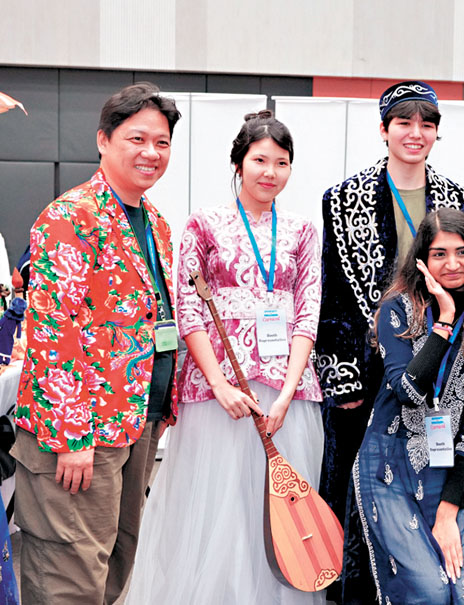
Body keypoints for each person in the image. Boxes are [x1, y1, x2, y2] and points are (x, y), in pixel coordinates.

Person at [126, 111, 325, 603]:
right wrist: (217, 383)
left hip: (286, 391)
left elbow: (309, 311)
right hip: (218, 390)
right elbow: (188, 309)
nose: (270, 172)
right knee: (215, 505)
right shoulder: (204, 223)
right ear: (239, 163)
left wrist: (287, 391)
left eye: (282, 163)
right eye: (260, 160)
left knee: (280, 509)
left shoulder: (302, 230)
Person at [316, 80, 464, 602]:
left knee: (438, 491)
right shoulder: (342, 199)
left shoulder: (463, 201)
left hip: (447, 367)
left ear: (437, 133)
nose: (415, 133)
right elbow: (333, 294)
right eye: (404, 122)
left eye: (427, 124)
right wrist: (342, 378)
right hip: (370, 372)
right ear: (384, 129)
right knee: (361, 500)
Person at [11, 82, 180, 604]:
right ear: (104, 140)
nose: (151, 153)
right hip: (81, 430)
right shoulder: (71, 216)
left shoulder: (154, 222)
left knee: (114, 565)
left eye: (162, 142)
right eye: (137, 139)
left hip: (138, 419)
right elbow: (52, 331)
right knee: (70, 575)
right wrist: (70, 437)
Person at [352, 207, 464, 604]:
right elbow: (408, 390)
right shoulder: (397, 310)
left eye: (462, 252)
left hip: (453, 468)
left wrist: (448, 512)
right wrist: (445, 319)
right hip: (389, 466)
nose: (452, 264)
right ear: (422, 260)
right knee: (430, 590)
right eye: (440, 254)